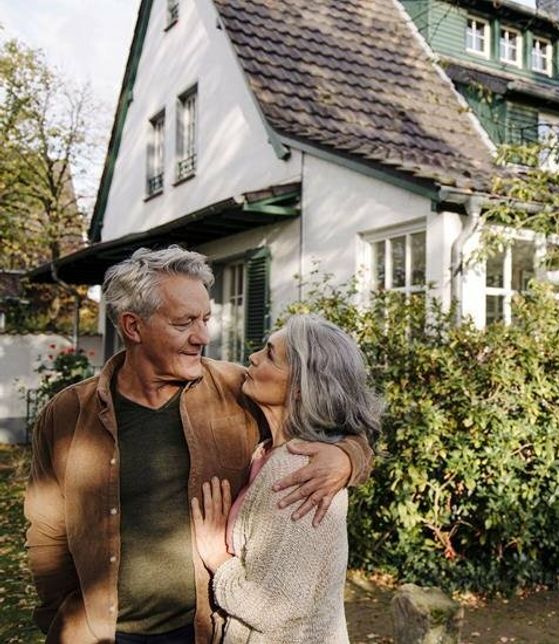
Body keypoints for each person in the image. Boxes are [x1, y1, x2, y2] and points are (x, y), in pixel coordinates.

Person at [24, 247, 374, 644]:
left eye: (206, 318)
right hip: (100, 632)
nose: (203, 336)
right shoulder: (68, 412)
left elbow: (325, 413)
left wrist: (347, 455)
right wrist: (57, 615)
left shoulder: (240, 389)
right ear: (133, 327)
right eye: (184, 322)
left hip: (207, 629)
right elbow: (47, 531)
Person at [192, 314, 380, 643]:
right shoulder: (269, 452)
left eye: (269, 354)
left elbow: (275, 607)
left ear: (298, 388)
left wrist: (217, 560)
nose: (252, 357)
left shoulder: (299, 471)